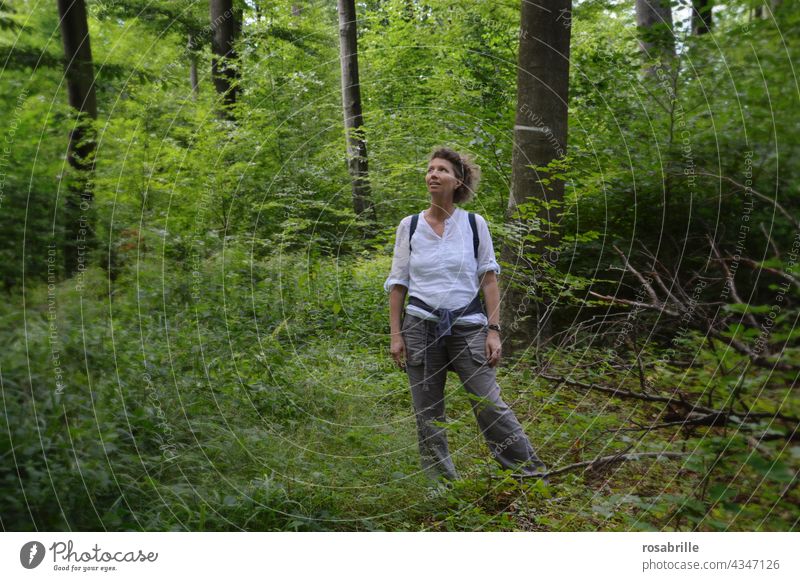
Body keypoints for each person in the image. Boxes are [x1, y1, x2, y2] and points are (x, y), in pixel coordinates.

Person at [384, 146, 548, 484]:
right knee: (427, 414)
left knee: (489, 405)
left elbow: (488, 279)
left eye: (441, 169)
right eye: (429, 169)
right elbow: (398, 283)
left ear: (458, 180)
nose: (433, 174)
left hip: (468, 328)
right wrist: (396, 334)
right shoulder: (410, 225)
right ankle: (443, 487)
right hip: (419, 328)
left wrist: (493, 330)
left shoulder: (474, 224)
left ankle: (530, 477)